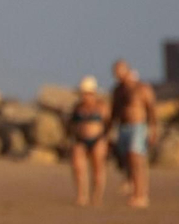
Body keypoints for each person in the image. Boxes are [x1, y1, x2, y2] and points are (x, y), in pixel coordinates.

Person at [110, 59, 158, 209]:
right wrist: (110, 130)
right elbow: (114, 111)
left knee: (137, 159)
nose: (118, 75)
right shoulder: (118, 90)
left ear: (127, 71)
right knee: (127, 161)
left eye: (120, 71)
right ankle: (133, 189)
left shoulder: (141, 88)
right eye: (115, 72)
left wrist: (153, 129)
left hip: (138, 127)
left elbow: (151, 109)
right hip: (123, 128)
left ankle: (141, 195)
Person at [67, 76, 108, 206]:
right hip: (80, 139)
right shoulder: (78, 107)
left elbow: (108, 123)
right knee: (78, 168)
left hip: (98, 139)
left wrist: (104, 139)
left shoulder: (101, 106)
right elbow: (71, 124)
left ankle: (96, 196)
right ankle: (81, 196)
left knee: (97, 169)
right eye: (83, 93)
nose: (85, 96)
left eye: (88, 93)